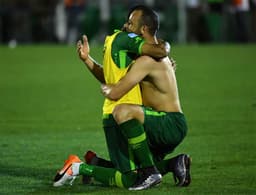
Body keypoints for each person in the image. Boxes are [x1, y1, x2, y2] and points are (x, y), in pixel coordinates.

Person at [53, 5, 190, 190]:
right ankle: (174, 164)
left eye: (130, 23)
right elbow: (115, 78)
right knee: (130, 170)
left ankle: (80, 168)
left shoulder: (146, 60)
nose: (126, 26)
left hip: (168, 123)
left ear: (143, 29)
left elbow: (117, 91)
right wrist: (89, 61)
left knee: (122, 112)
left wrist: (110, 90)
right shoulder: (143, 58)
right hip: (159, 122)